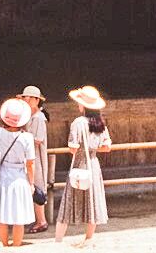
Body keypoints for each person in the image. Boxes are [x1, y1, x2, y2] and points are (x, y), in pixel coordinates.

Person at [55, 85, 111, 247]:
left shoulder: (78, 123)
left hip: (80, 164)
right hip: (93, 165)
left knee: (69, 200)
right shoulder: (99, 123)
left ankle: (58, 240)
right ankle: (88, 238)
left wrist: (81, 149)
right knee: (92, 200)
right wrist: (92, 148)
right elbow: (107, 147)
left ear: (83, 106)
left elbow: (73, 148)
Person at [0, 97, 36, 248]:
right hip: (19, 177)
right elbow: (30, 163)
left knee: (2, 217)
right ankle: (16, 247)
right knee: (18, 218)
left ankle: (4, 246)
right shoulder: (27, 137)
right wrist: (32, 183)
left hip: (1, 176)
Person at [20, 84, 50, 232]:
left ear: (36, 100)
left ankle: (42, 221)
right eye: (24, 97)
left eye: (28, 97)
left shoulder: (38, 118)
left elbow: (37, 140)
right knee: (29, 187)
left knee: (36, 188)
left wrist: (20, 137)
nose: (26, 99)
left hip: (36, 158)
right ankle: (35, 219)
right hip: (28, 157)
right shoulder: (27, 117)